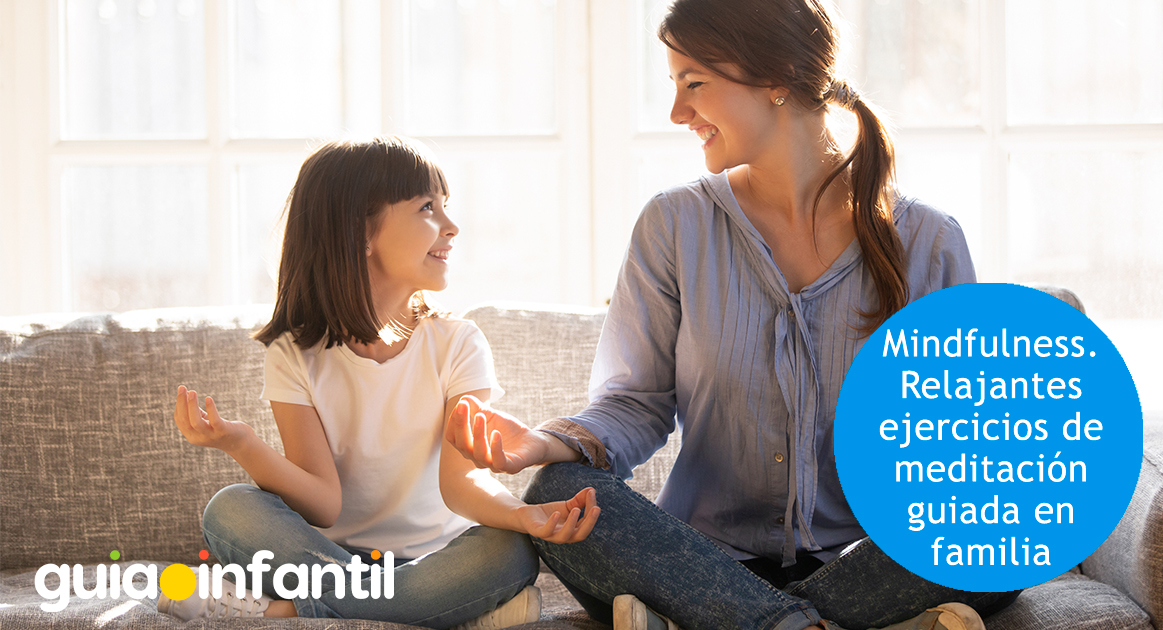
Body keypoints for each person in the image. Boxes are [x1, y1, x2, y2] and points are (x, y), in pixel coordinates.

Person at [444, 1, 1021, 629]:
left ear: (779, 78)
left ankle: (729, 622)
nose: (676, 112)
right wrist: (543, 443)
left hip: (865, 563)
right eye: (673, 85)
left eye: (695, 83)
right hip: (703, 562)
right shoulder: (674, 225)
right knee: (557, 489)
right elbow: (636, 404)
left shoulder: (929, 241)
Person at [160, 137, 600, 628]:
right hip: (329, 555)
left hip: (440, 557)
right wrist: (241, 444)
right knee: (231, 510)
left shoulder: (458, 343)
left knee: (510, 549)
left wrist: (522, 517)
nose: (452, 228)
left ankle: (284, 611)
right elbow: (324, 505)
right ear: (360, 233)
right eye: (428, 207)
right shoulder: (294, 354)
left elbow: (461, 483)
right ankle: (437, 611)